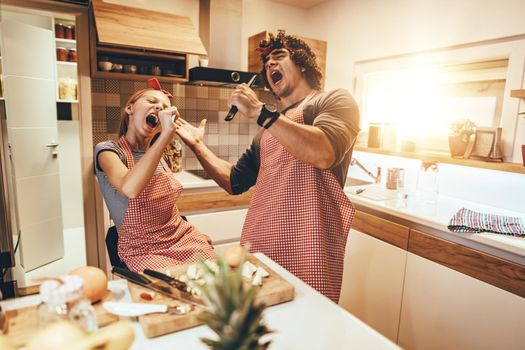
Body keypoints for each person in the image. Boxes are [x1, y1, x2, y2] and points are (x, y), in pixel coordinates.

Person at [175, 30, 360, 303]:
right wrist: (197, 146)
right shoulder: (267, 130)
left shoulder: (333, 100)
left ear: (302, 64)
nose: (270, 65)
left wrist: (262, 113)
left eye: (279, 57)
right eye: (267, 63)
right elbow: (234, 181)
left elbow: (324, 152)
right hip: (261, 242)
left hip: (309, 246)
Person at [94, 78, 215, 272]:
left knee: (210, 283)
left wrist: (194, 235)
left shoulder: (160, 155)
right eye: (151, 102)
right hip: (143, 250)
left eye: (165, 106)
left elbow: (166, 207)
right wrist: (165, 136)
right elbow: (129, 188)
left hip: (181, 238)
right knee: (174, 287)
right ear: (130, 109)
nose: (159, 107)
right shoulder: (108, 151)